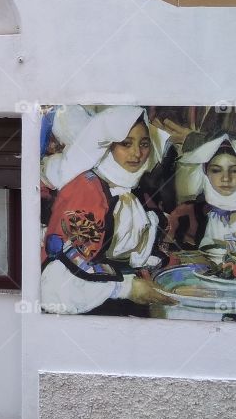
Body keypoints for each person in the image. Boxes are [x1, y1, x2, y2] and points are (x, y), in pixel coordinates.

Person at [40, 106, 174, 316]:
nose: (137, 153)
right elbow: (64, 271)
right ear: (107, 145)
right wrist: (125, 288)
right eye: (126, 144)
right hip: (90, 306)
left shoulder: (133, 190)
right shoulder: (86, 189)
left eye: (144, 144)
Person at [167, 135, 236, 267]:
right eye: (216, 170)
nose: (225, 178)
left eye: (235, 171)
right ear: (206, 172)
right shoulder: (191, 213)